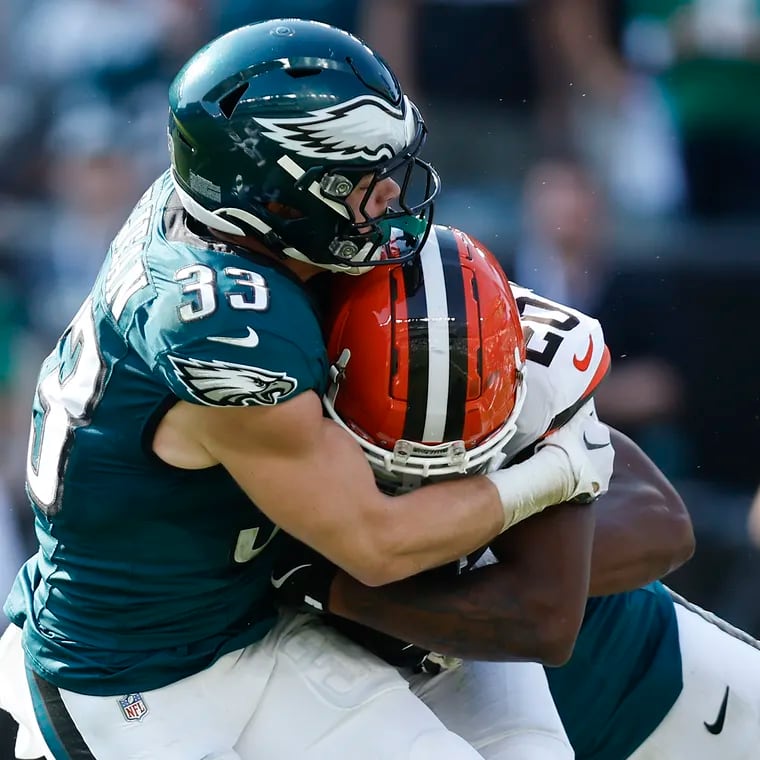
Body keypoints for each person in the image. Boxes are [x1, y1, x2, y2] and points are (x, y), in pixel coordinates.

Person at [0, 19, 611, 760]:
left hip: (236, 620)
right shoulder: (227, 329)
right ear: (281, 194)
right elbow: (376, 546)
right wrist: (552, 473)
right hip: (132, 683)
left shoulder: (215, 209)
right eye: (362, 177)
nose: (390, 193)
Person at [275, 227, 760, 759]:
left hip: (657, 688)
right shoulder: (264, 398)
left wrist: (434, 563)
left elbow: (663, 524)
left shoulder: (504, 344)